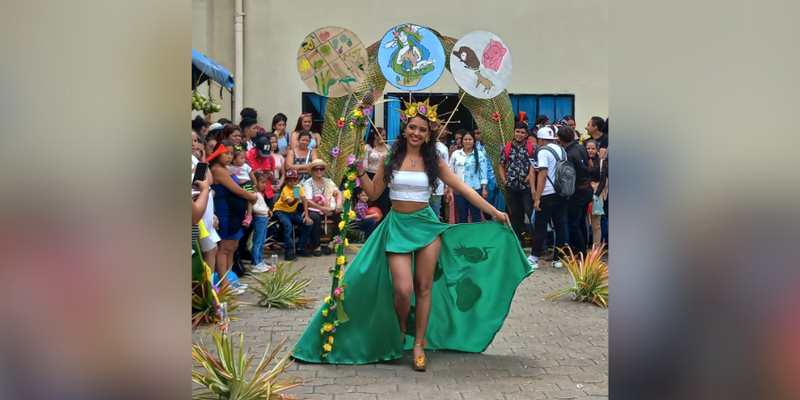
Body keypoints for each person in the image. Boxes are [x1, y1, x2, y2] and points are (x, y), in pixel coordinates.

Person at [292, 101, 531, 371]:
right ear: (405, 128)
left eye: (423, 129)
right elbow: (373, 193)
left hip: (426, 227)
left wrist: (494, 211)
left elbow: (463, 187)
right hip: (397, 226)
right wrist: (360, 171)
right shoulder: (389, 157)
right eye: (412, 127)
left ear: (430, 134)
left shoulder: (435, 161)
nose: (416, 132)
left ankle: (418, 344)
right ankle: (400, 332)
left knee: (423, 288)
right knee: (403, 290)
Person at [209, 140, 258, 287]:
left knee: (232, 248)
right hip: (226, 213)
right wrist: (252, 197)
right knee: (224, 249)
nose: (230, 156)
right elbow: (236, 190)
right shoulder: (217, 169)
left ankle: (229, 280)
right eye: (226, 153)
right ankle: (223, 284)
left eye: (231, 153)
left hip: (235, 214)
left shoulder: (226, 168)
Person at [529, 127, 567, 268]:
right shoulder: (561, 149)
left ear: (541, 139)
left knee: (540, 226)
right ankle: (558, 259)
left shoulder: (543, 151)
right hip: (562, 193)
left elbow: (543, 175)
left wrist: (537, 197)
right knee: (560, 226)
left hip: (547, 194)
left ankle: (534, 258)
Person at [500, 121, 536, 247]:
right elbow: (501, 164)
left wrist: (530, 176)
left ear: (526, 134)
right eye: (517, 132)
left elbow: (535, 165)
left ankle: (537, 243)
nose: (519, 135)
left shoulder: (532, 147)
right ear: (513, 132)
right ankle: (517, 241)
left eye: (522, 132)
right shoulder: (507, 147)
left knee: (531, 213)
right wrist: (504, 180)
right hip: (512, 187)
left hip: (527, 187)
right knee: (515, 215)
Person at [560, 126, 593, 256]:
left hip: (577, 191)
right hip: (588, 188)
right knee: (582, 222)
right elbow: (590, 164)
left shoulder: (567, 154)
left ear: (560, 139)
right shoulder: (581, 147)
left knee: (573, 224)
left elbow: (568, 177)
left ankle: (580, 251)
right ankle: (583, 249)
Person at [302, 159, 343, 257]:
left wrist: (339, 204)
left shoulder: (328, 181)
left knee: (341, 217)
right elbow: (308, 201)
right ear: (312, 171)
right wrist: (322, 208)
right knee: (314, 218)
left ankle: (332, 243)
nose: (319, 171)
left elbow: (338, 192)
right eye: (316, 169)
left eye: (321, 168)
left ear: (324, 170)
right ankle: (317, 246)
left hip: (328, 208)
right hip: (315, 208)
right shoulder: (308, 183)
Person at [447, 130, 488, 223]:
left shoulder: (480, 155)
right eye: (465, 139)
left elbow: (483, 173)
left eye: (470, 139)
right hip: (460, 190)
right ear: (462, 141)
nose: (467, 141)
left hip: (475, 189)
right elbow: (450, 172)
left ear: (474, 141)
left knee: (476, 215)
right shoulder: (456, 154)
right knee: (462, 216)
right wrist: (449, 188)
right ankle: (464, 236)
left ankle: (476, 236)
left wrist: (484, 188)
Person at [272, 169, 313, 261]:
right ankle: (288, 252)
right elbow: (290, 203)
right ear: (286, 181)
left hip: (291, 212)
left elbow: (304, 201)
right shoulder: (285, 189)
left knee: (308, 224)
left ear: (298, 180)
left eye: (294, 180)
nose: (292, 183)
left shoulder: (298, 187)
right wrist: (296, 199)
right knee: (288, 226)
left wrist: (306, 216)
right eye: (289, 181)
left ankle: (300, 248)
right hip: (280, 211)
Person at [362, 126, 391, 219]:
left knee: (384, 201)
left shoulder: (388, 148)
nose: (385, 138)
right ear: (376, 136)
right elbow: (364, 164)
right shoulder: (368, 148)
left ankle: (383, 223)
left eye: (385, 135)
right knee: (372, 200)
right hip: (370, 175)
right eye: (382, 135)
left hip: (384, 176)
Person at [250, 172, 273, 273]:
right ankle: (255, 263)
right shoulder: (254, 194)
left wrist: (268, 210)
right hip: (259, 219)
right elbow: (254, 208)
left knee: (262, 241)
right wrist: (265, 210)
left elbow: (262, 206)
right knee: (257, 242)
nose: (264, 185)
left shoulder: (259, 194)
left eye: (265, 183)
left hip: (264, 219)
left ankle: (260, 261)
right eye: (262, 182)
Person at [228, 148, 255, 226]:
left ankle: (249, 215)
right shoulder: (228, 167)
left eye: (244, 158)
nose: (244, 160)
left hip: (247, 183)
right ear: (234, 160)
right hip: (236, 185)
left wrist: (255, 184)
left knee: (250, 197)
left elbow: (251, 175)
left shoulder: (246, 166)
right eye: (242, 158)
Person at [585, 140, 604, 248]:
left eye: (593, 148)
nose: (590, 151)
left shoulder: (601, 163)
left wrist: (596, 194)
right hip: (584, 192)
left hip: (597, 193)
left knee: (596, 225)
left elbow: (603, 180)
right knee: (585, 223)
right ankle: (584, 248)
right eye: (588, 148)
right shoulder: (582, 161)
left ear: (597, 149)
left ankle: (596, 249)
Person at [430, 130, 449, 219]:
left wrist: (446, 187)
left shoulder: (443, 148)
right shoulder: (421, 146)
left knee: (435, 213)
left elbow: (446, 168)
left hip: (437, 187)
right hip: (421, 189)